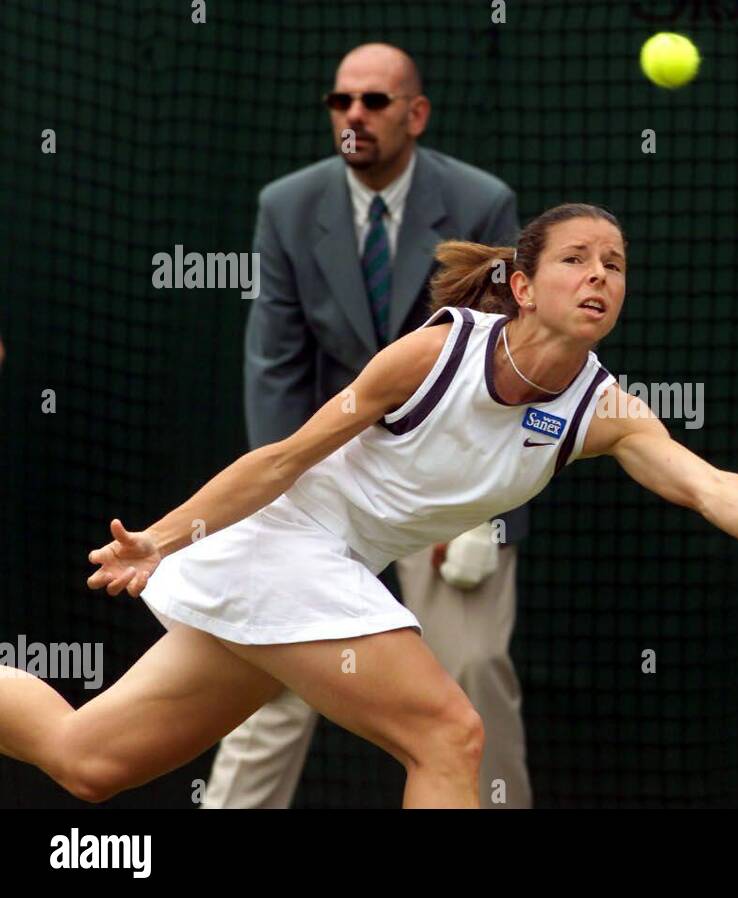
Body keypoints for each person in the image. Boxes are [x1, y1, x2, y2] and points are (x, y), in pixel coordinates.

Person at [0, 203, 738, 808]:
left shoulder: (604, 412)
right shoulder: (432, 356)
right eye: (576, 260)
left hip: (327, 575)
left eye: (615, 266)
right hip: (287, 546)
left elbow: (708, 485)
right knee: (449, 733)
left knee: (89, 762)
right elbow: (281, 461)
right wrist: (161, 538)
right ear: (524, 285)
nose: (599, 276)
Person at [210, 41, 532, 808]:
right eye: (341, 101)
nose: (354, 116)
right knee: (272, 678)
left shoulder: (482, 202)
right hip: (327, 481)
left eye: (375, 102)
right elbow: (276, 370)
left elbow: (504, 366)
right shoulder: (286, 207)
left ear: (415, 115)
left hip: (444, 483)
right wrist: (276, 510)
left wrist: (483, 515)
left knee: (474, 670)